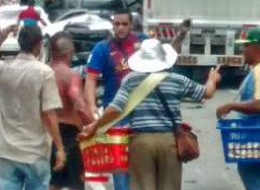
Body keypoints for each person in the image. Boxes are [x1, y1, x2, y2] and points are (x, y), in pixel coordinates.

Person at [79, 39, 221, 190]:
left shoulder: (131, 80)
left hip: (141, 142)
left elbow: (115, 108)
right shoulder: (178, 80)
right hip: (170, 142)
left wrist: (95, 126)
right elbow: (207, 93)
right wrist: (212, 79)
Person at [84, 11, 189, 190]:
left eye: (124, 24)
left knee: (147, 169)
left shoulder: (143, 43)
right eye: (117, 24)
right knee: (120, 169)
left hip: (143, 116)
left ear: (131, 25)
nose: (120, 28)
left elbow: (167, 55)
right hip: (117, 118)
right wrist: (92, 107)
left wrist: (181, 35)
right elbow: (91, 79)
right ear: (112, 25)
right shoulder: (102, 48)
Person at [216, 28, 260, 190]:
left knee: (257, 180)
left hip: (259, 141)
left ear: (256, 48)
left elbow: (259, 104)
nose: (243, 50)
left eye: (246, 46)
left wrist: (230, 105)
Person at [0, 26, 66, 190]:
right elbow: (49, 114)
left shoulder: (4, 69)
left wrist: (3, 34)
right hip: (35, 151)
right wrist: (60, 148)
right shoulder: (44, 73)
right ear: (39, 45)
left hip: (7, 150)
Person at [49, 32, 94, 190]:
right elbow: (79, 104)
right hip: (69, 134)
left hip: (48, 133)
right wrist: (93, 123)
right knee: (76, 182)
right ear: (69, 53)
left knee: (53, 182)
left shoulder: (43, 73)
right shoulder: (71, 76)